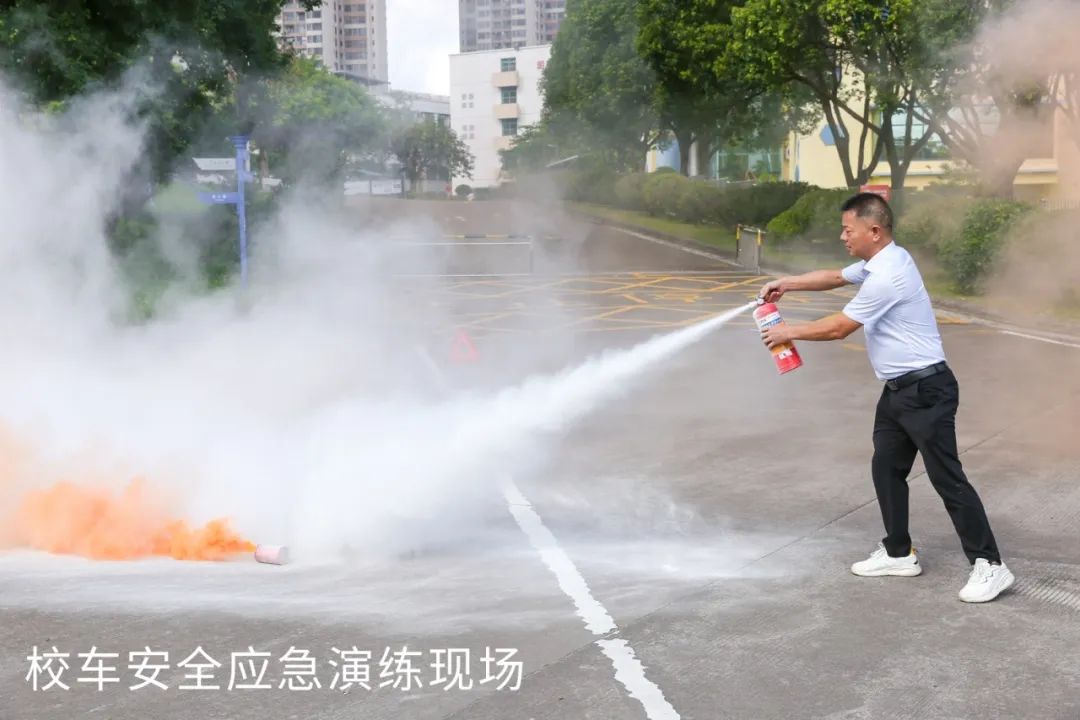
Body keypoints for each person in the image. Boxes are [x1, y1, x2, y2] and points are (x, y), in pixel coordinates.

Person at [758, 192, 1014, 603]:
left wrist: (788, 332)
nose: (842, 236)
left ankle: (991, 565)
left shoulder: (888, 275)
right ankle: (898, 553)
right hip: (898, 391)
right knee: (886, 469)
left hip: (926, 390)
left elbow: (840, 328)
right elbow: (835, 277)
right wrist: (787, 283)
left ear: (874, 231)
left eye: (848, 230)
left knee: (947, 478)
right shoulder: (879, 262)